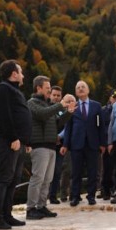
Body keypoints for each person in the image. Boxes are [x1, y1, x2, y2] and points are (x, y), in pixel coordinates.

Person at [0, 60, 31, 230]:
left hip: (18, 142)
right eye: (20, 72)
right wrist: (13, 137)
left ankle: (6, 215)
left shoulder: (14, 90)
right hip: (7, 140)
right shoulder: (3, 89)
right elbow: (4, 115)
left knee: (13, 179)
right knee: (4, 177)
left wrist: (26, 141)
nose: (22, 75)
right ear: (14, 74)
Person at [27, 76, 75, 220]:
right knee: (38, 178)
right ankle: (30, 209)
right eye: (47, 88)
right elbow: (42, 115)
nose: (49, 91)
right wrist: (61, 104)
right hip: (39, 145)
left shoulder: (48, 105)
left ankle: (41, 207)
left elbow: (58, 123)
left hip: (50, 145)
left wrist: (69, 112)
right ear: (38, 88)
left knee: (47, 179)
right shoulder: (32, 103)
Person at [61, 80, 106, 206]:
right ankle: (75, 196)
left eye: (83, 87)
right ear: (75, 91)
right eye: (78, 87)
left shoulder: (96, 106)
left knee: (93, 171)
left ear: (88, 90)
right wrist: (65, 144)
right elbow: (68, 127)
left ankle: (91, 196)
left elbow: (101, 126)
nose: (80, 89)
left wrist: (103, 143)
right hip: (76, 144)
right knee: (76, 172)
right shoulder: (72, 106)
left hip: (93, 144)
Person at [48, 86, 67, 204]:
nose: (56, 97)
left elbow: (67, 126)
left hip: (60, 145)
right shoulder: (45, 107)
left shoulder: (63, 110)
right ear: (50, 95)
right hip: (46, 144)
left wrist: (59, 136)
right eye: (54, 95)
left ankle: (53, 196)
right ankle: (41, 197)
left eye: (58, 95)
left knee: (57, 171)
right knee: (45, 172)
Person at [99, 90, 116, 200]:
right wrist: (102, 142)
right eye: (114, 97)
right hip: (107, 143)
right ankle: (105, 190)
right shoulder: (103, 110)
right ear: (110, 98)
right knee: (107, 168)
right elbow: (100, 128)